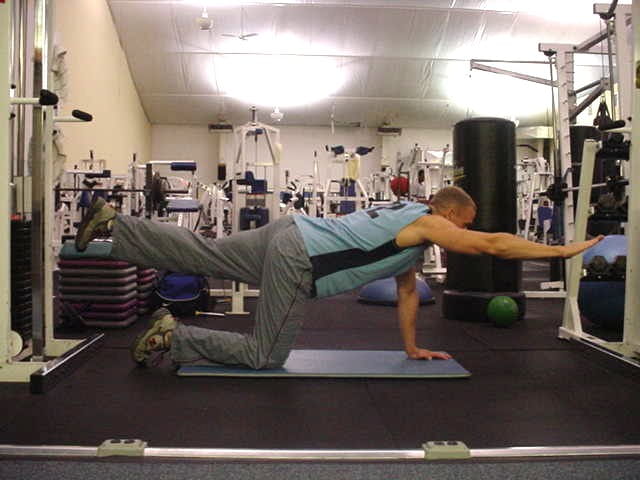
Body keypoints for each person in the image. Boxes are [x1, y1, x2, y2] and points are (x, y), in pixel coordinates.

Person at [75, 186, 602, 369]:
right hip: (299, 257)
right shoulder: (429, 221)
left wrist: (412, 348)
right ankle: (176, 337)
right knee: (265, 355)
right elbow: (491, 244)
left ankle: (115, 224)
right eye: (463, 222)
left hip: (289, 231)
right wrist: (561, 249)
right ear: (449, 213)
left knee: (203, 252)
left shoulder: (407, 226)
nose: (461, 232)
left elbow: (406, 293)